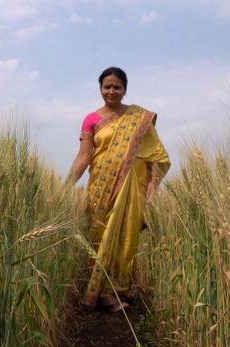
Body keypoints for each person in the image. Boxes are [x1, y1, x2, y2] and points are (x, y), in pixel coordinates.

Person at [69, 67, 171, 312]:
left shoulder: (139, 118)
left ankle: (114, 293)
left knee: (125, 236)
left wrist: (152, 188)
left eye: (117, 86)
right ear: (100, 89)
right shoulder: (92, 119)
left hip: (132, 188)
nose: (111, 91)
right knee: (99, 236)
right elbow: (84, 157)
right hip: (100, 189)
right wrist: (66, 186)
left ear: (125, 89)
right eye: (107, 86)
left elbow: (157, 157)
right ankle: (97, 290)